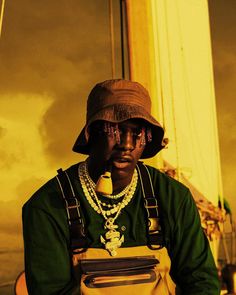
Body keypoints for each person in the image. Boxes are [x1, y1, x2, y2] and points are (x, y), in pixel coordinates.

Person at [22, 79, 220, 294]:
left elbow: (201, 282)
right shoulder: (47, 206)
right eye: (114, 130)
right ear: (93, 133)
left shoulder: (173, 197)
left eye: (138, 133)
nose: (126, 144)